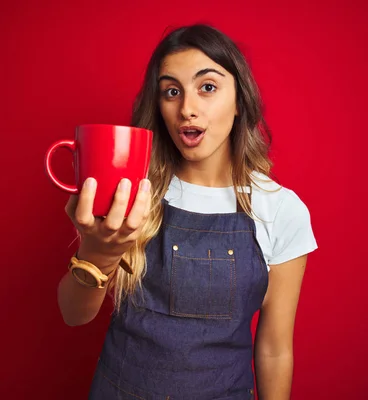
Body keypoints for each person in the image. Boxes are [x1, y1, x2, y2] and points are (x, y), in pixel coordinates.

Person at [57, 24, 318, 400]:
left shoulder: (280, 210)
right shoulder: (131, 191)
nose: (187, 109)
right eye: (172, 91)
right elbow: (73, 314)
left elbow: (275, 349)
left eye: (207, 87)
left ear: (239, 101)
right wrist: (99, 253)